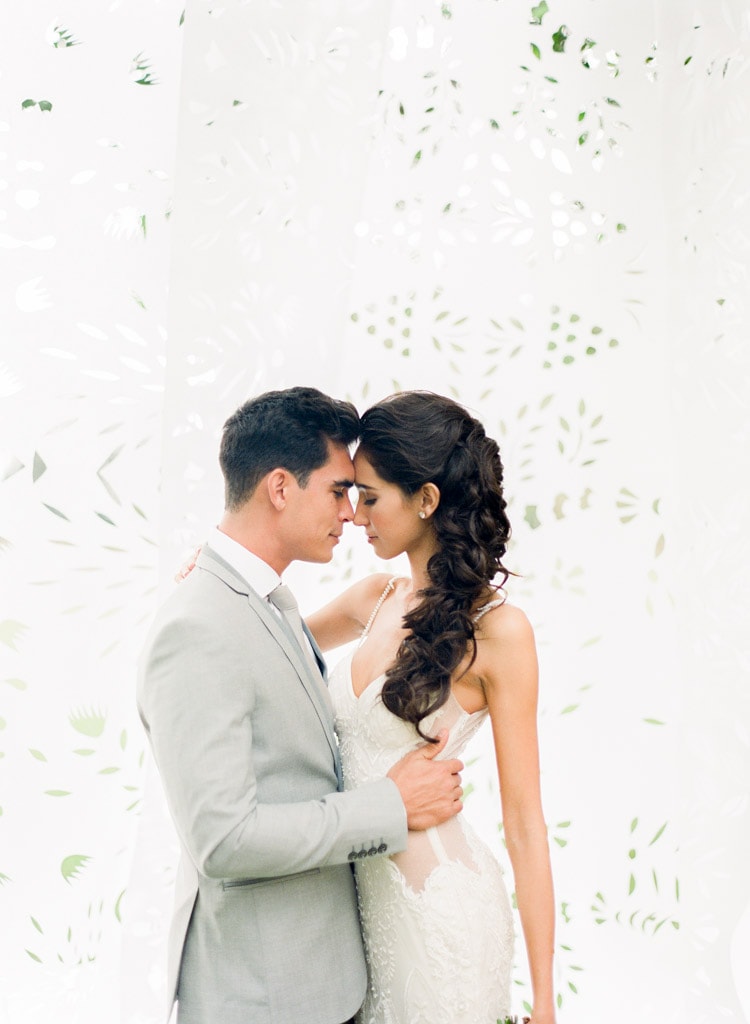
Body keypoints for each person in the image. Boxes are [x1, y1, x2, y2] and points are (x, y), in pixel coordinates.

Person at [136, 387, 465, 1024]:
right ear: (281, 488)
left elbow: (278, 701)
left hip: (330, 978)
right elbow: (225, 839)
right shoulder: (198, 627)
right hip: (264, 999)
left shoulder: (262, 602)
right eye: (340, 490)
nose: (351, 512)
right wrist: (390, 806)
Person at [307, 391, 556, 1024]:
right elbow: (271, 644)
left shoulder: (500, 632)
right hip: (362, 922)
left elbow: (525, 824)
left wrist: (547, 1001)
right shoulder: (373, 597)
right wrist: (219, 582)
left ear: (425, 499)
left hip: (444, 918)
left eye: (370, 496)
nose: (355, 514)